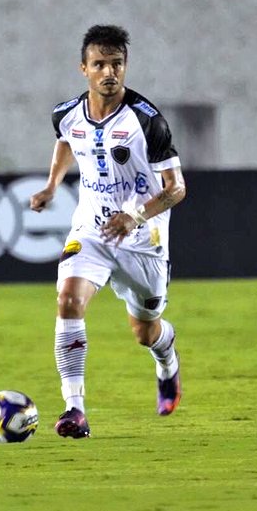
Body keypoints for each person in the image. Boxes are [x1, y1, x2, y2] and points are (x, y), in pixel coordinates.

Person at [30, 24, 187, 439]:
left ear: (125, 67)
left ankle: (167, 361)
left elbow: (177, 189)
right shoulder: (65, 114)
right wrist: (51, 185)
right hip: (92, 230)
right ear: (83, 68)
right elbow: (66, 140)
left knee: (145, 331)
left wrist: (135, 216)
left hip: (143, 241)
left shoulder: (147, 121)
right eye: (99, 64)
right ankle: (74, 409)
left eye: (116, 64)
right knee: (67, 299)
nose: (109, 72)